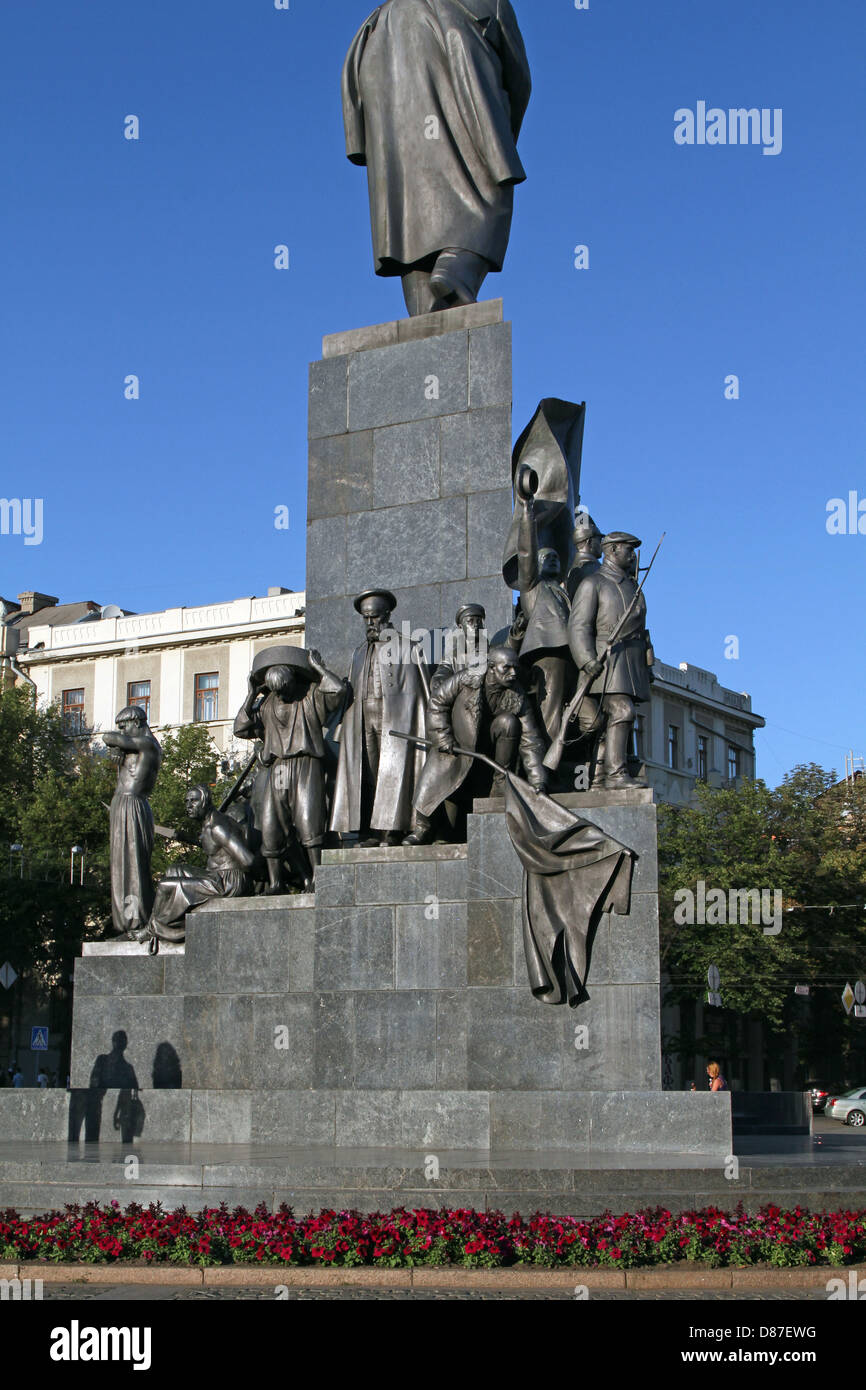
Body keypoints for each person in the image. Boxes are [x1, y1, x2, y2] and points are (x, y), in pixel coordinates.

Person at [342, 0, 532, 316]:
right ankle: (457, 265)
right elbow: (519, 80)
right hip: (461, 86)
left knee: (408, 207)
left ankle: (425, 299)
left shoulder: (381, 18)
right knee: (490, 193)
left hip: (387, 77)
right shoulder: (488, 2)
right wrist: (501, 136)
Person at [234, 649, 347, 892]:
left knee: (309, 819)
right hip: (278, 768)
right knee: (271, 825)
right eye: (277, 692)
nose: (281, 697)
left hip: (306, 764)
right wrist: (251, 693)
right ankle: (277, 883)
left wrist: (319, 669)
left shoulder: (310, 696)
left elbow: (338, 691)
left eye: (284, 691)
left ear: (292, 682)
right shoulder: (267, 705)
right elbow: (241, 729)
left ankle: (319, 877)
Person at [410, 644, 547, 840]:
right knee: (433, 787)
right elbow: (437, 701)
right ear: (491, 667)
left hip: (488, 751)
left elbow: (531, 739)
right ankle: (422, 828)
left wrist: (538, 780)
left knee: (509, 722)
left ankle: (499, 791)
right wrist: (442, 736)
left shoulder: (518, 694)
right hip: (455, 744)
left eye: (515, 667)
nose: (513, 673)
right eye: (506, 668)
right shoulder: (467, 678)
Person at [331, 590, 430, 846]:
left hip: (394, 718)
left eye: (374, 617)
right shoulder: (359, 652)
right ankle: (371, 831)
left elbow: (419, 690)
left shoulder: (408, 646)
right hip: (363, 718)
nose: (369, 623)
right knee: (368, 773)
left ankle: (394, 829)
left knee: (394, 772)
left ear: (386, 615)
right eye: (365, 619)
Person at [567, 533, 654, 789]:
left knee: (612, 721)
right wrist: (586, 660)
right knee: (622, 711)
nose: (633, 555)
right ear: (613, 550)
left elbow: (644, 633)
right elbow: (578, 626)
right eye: (629, 549)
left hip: (632, 660)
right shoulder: (593, 583)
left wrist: (648, 665)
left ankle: (597, 778)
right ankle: (616, 775)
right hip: (607, 662)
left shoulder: (633, 586)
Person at [137, 786, 258, 946]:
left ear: (205, 801)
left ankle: (153, 929)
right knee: (174, 870)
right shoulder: (208, 823)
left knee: (166, 885)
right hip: (216, 876)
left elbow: (248, 861)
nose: (188, 806)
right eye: (187, 801)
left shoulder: (218, 827)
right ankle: (164, 923)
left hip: (228, 883)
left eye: (193, 801)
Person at [103, 706, 162, 938]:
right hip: (126, 805)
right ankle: (127, 922)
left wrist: (119, 744)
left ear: (136, 722)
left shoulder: (146, 744)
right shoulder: (138, 746)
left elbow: (108, 737)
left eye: (124, 726)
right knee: (122, 867)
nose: (123, 731)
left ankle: (134, 921)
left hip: (131, 805)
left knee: (131, 866)